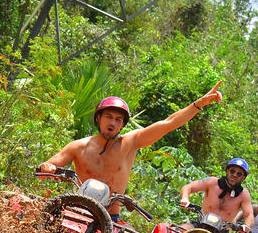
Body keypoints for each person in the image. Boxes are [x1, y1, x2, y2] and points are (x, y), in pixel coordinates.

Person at [38, 82, 223, 223]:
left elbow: (169, 123)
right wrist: (47, 167)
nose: (112, 122)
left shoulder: (130, 142)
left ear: (123, 125)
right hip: (76, 209)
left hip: (110, 217)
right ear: (98, 118)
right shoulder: (77, 147)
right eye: (108, 117)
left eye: (118, 119)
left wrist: (199, 103)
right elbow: (44, 171)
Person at [178, 158, 255, 233]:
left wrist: (247, 225)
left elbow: (249, 215)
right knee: (178, 232)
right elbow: (188, 187)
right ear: (227, 170)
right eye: (232, 171)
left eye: (239, 174)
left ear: (243, 178)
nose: (234, 175)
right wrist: (185, 199)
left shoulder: (243, 194)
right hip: (200, 224)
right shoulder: (212, 182)